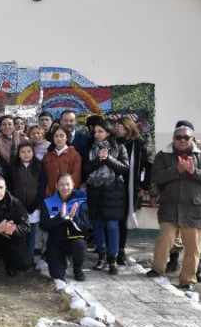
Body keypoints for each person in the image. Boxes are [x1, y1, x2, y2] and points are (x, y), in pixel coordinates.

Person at [146, 124, 201, 291]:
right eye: (178, 137)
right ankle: (157, 269)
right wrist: (176, 170)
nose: (182, 140)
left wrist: (194, 172)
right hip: (170, 205)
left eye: (186, 137)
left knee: (193, 246)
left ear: (192, 138)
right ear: (173, 139)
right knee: (165, 239)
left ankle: (187, 280)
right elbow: (156, 176)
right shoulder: (163, 155)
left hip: (194, 207)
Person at [84, 119, 129, 275]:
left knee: (111, 225)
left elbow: (124, 168)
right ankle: (101, 257)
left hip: (113, 192)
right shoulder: (90, 148)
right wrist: (99, 160)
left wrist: (108, 158)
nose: (96, 134)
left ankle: (112, 259)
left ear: (108, 132)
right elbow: (85, 169)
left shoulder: (120, 147)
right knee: (97, 225)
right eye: (95, 132)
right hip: (95, 190)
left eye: (100, 131)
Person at [114, 117, 152, 266]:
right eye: (116, 126)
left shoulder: (140, 144)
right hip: (114, 186)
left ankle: (121, 251)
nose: (117, 129)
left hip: (131, 187)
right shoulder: (115, 142)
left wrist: (144, 186)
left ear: (128, 127)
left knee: (123, 220)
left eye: (119, 126)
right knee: (113, 219)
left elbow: (150, 166)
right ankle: (110, 249)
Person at [40, 174, 89, 282]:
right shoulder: (48, 202)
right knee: (56, 275)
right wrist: (60, 218)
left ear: (73, 185)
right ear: (56, 186)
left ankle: (77, 269)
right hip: (55, 243)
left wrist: (75, 217)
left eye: (68, 184)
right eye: (61, 184)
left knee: (80, 245)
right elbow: (43, 225)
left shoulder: (80, 202)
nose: (65, 187)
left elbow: (85, 228)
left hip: (74, 241)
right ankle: (55, 258)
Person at [8, 142, 46, 260]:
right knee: (17, 232)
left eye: (29, 151)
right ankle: (17, 258)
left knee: (31, 233)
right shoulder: (13, 167)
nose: (26, 154)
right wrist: (17, 204)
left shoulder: (39, 166)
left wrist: (34, 205)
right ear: (18, 154)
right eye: (23, 152)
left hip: (33, 207)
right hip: (17, 207)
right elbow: (10, 186)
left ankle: (29, 259)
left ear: (33, 153)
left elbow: (42, 187)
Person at [41, 125, 82, 196]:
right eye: (56, 136)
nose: (59, 139)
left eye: (62, 136)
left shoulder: (74, 155)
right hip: (50, 195)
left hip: (68, 195)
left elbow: (76, 176)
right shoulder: (47, 156)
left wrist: (67, 193)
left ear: (67, 137)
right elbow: (44, 176)